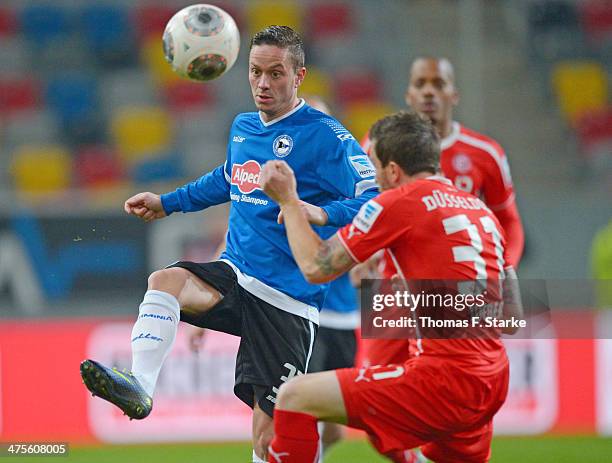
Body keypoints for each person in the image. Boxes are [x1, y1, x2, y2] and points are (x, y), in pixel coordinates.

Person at [79, 26, 377, 463]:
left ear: (299, 76)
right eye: (255, 72)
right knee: (166, 281)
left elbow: (372, 199)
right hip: (239, 276)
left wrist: (316, 211)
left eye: (276, 73)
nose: (263, 83)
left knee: (269, 438)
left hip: (288, 302)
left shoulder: (327, 135)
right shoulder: (243, 126)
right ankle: (141, 386)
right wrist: (168, 202)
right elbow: (226, 177)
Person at [259, 110, 522, 463]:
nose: (372, 178)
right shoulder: (481, 212)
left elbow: (316, 267)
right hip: (492, 379)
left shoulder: (399, 201)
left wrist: (289, 201)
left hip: (444, 382)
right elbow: (511, 317)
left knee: (294, 397)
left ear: (393, 170)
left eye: (373, 166)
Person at [361, 56, 525, 369]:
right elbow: (359, 206)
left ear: (454, 94)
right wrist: (360, 256)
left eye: (438, 84)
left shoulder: (485, 154)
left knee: (456, 387)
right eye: (420, 84)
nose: (428, 93)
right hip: (391, 290)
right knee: (375, 391)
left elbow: (510, 223)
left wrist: (499, 274)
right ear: (408, 95)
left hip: (460, 294)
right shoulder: (376, 145)